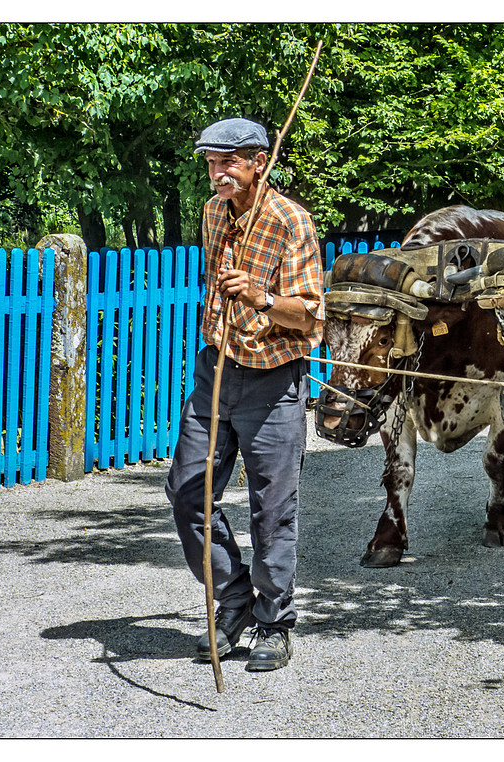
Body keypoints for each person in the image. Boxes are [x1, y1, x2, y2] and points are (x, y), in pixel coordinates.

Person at [165, 117, 324, 671]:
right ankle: (233, 599)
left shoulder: (290, 222)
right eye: (210, 164)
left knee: (272, 511)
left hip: (273, 381)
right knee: (189, 492)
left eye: (228, 162)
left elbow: (309, 318)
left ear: (259, 162)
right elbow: (214, 289)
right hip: (216, 370)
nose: (217, 174)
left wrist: (259, 297)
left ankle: (275, 622)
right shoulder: (213, 214)